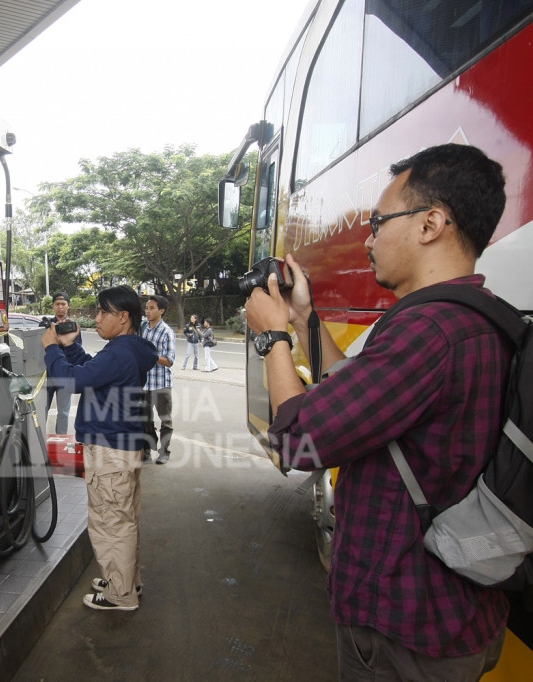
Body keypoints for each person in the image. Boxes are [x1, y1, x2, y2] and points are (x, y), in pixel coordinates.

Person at [244, 144, 510, 681]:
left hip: (408, 625)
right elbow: (358, 396)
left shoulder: (428, 331)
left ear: (431, 223)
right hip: (461, 611)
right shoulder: (477, 318)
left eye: (379, 222)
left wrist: (271, 337)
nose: (368, 239)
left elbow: (300, 442)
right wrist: (303, 322)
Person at [42, 285, 158, 611]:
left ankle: (120, 596)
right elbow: (94, 373)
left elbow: (72, 381)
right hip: (124, 448)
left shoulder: (118, 353)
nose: (97, 319)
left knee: (110, 523)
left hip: (109, 450)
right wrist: (71, 347)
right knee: (123, 520)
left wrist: (52, 349)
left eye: (102, 312)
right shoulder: (131, 350)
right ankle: (124, 581)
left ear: (123, 317)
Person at [140, 295, 175, 465]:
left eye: (152, 308)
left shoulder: (167, 332)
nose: (148, 311)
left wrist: (151, 356)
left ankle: (164, 451)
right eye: (147, 307)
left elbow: (169, 360)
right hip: (145, 383)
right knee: (144, 419)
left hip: (161, 383)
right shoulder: (144, 328)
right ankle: (146, 451)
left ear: (161, 311)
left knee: (165, 420)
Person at [43, 291, 81, 434]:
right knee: (43, 409)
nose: (60, 307)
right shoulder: (46, 325)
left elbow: (77, 351)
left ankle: (61, 442)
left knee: (64, 412)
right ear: (53, 306)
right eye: (57, 304)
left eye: (63, 304)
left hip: (65, 374)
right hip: (47, 375)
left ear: (68, 306)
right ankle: (39, 442)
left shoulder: (72, 326)